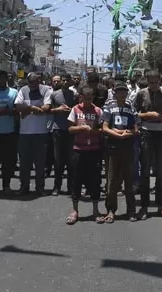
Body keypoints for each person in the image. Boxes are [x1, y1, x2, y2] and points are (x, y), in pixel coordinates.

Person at [133, 70, 162, 220]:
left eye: (156, 82)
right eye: (151, 83)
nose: (154, 85)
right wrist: (147, 115)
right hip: (146, 133)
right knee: (145, 171)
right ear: (147, 81)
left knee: (161, 172)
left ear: (160, 81)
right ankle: (144, 206)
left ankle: (161, 205)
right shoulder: (141, 94)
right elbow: (134, 113)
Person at [66, 86, 103, 225]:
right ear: (81, 97)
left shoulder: (98, 111)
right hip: (78, 150)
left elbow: (102, 128)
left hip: (93, 150)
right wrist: (81, 128)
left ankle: (95, 210)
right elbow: (70, 129)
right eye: (85, 98)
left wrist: (94, 131)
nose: (88, 101)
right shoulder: (75, 109)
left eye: (90, 98)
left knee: (94, 181)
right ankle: (75, 210)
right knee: (76, 180)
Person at [102, 84, 138, 223]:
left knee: (128, 180)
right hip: (112, 147)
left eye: (124, 92)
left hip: (127, 147)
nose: (122, 94)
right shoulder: (109, 107)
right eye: (119, 92)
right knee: (111, 181)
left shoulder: (131, 108)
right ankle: (111, 210)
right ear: (114, 93)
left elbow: (136, 128)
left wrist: (128, 133)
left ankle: (131, 211)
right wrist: (117, 134)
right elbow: (104, 127)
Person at [15, 72, 52, 196]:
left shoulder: (46, 90)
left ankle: (40, 187)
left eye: (35, 82)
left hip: (40, 133)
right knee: (24, 163)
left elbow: (46, 109)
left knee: (40, 163)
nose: (32, 85)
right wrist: (34, 108)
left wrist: (27, 109)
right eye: (30, 83)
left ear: (39, 80)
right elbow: (18, 106)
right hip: (24, 133)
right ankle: (24, 186)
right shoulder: (23, 90)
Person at [49, 74, 76, 196]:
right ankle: (57, 186)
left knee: (71, 161)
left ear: (70, 82)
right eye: (63, 80)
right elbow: (49, 110)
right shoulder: (54, 94)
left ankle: (71, 187)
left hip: (70, 130)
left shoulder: (74, 95)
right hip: (57, 129)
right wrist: (59, 109)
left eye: (67, 80)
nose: (65, 82)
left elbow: (78, 110)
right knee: (58, 160)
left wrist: (71, 110)